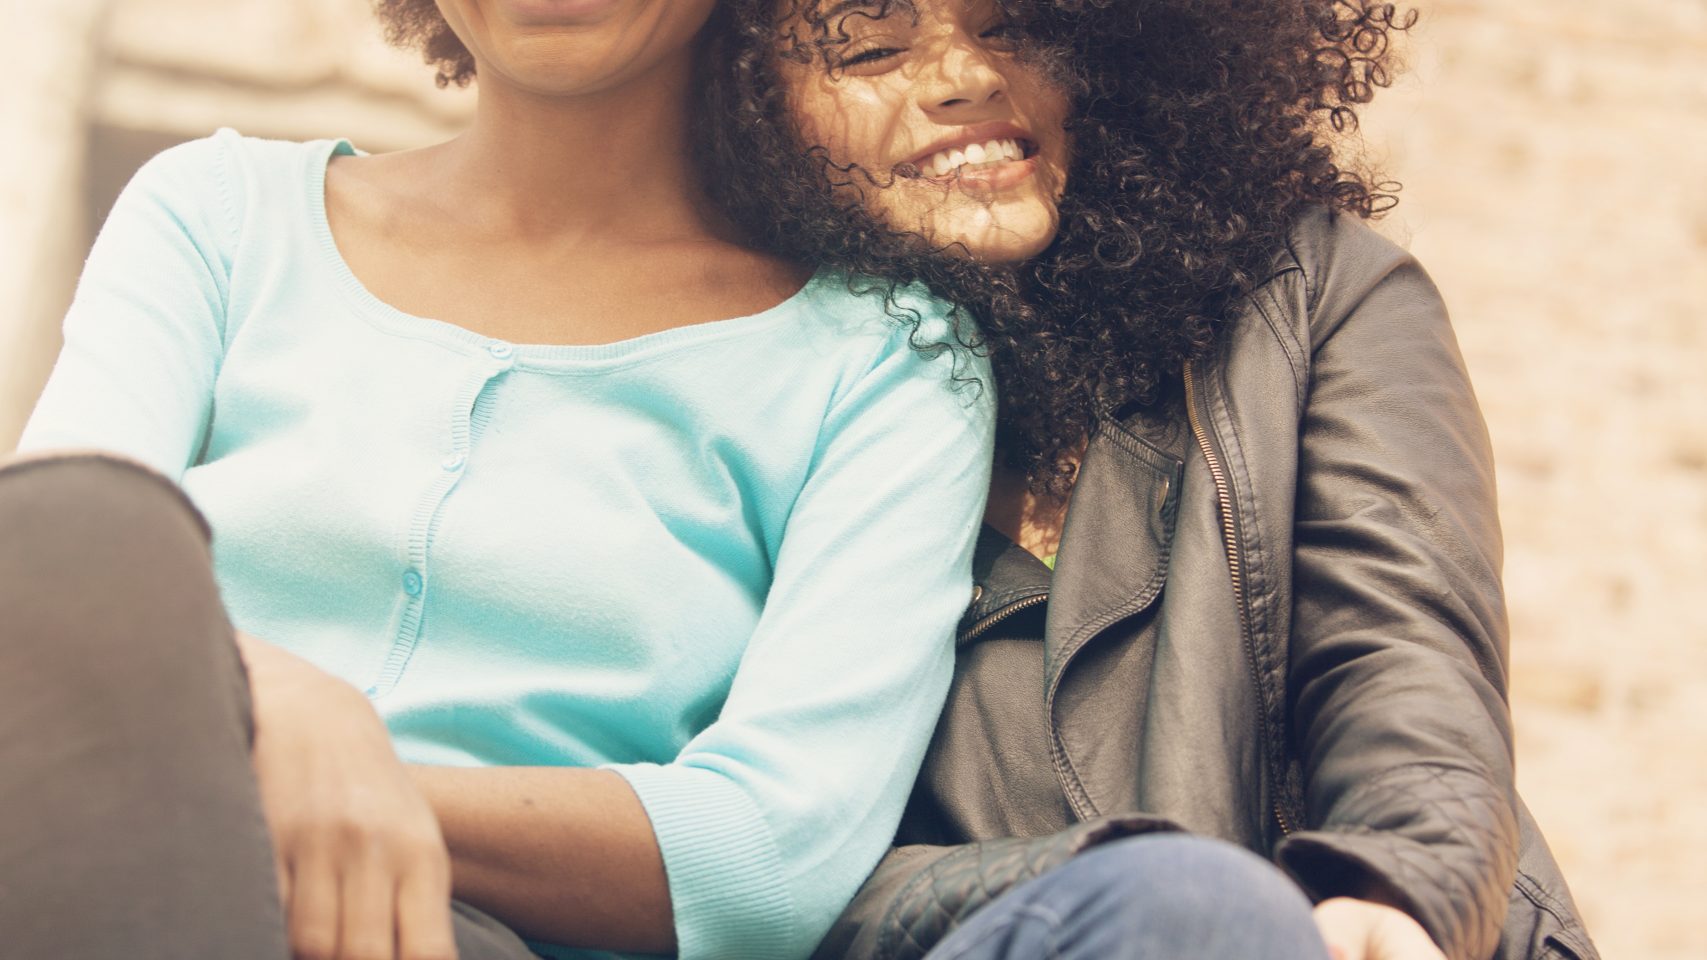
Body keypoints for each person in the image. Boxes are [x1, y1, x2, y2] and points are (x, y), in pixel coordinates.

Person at [0, 2, 999, 959]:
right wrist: (285, 704)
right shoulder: (216, 216)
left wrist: (352, 788)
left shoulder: (891, 356)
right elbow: (55, 577)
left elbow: (767, 857)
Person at [696, 1, 1602, 958]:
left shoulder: (1312, 295)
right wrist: (1124, 893)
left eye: (1015, 26)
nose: (969, 76)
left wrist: (1399, 888)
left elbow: (1404, 669)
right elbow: (732, 851)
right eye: (871, 49)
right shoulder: (709, 412)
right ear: (742, 108)